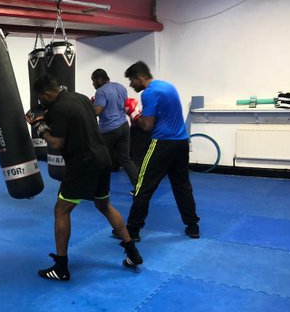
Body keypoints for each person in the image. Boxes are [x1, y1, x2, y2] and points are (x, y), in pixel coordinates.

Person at [26, 75, 142, 281]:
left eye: (41, 98)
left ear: (45, 94)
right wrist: (45, 117)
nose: (41, 102)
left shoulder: (60, 108)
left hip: (83, 164)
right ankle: (132, 253)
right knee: (104, 205)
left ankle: (61, 268)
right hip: (103, 158)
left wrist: (40, 128)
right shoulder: (79, 98)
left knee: (61, 210)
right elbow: (73, 120)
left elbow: (56, 143)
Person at [123, 61, 200, 242]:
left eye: (132, 81)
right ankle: (193, 226)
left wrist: (133, 114)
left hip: (162, 144)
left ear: (139, 78)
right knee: (182, 186)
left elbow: (147, 125)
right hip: (181, 143)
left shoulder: (149, 93)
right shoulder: (168, 86)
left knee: (143, 187)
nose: (131, 85)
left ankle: (132, 230)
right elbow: (164, 114)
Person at [91, 68, 139, 191]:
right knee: (126, 159)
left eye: (94, 81)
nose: (93, 84)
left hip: (109, 130)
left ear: (99, 79)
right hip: (124, 126)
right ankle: (140, 187)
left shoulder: (101, 92)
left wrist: (89, 106)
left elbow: (97, 111)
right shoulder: (120, 87)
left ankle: (92, 188)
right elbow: (124, 104)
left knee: (96, 158)